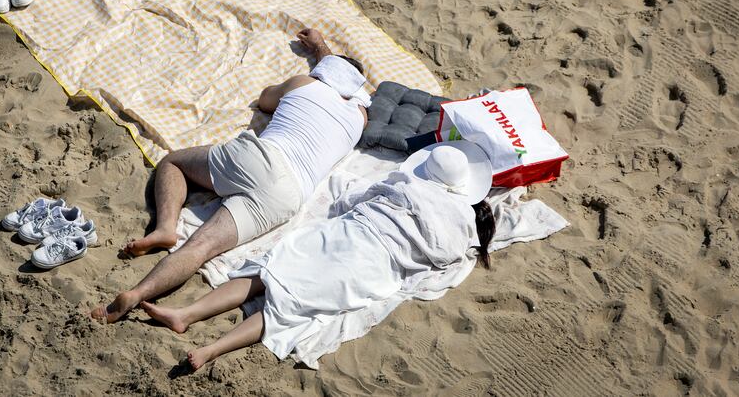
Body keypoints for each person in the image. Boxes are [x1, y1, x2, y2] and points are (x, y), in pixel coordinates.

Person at [141, 141, 497, 371]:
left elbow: (354, 200)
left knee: (269, 271)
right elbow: (439, 259)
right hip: (375, 266)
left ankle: (186, 313)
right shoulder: (463, 223)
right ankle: (212, 349)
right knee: (292, 310)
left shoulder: (407, 183)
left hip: (350, 233)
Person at [92, 28, 368, 323]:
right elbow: (342, 76)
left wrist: (318, 49)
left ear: (324, 71)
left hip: (263, 159)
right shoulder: (360, 118)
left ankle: (165, 228)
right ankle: (136, 295)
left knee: (173, 163)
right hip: (290, 195)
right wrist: (323, 50)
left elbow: (265, 101)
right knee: (200, 248)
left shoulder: (304, 83)